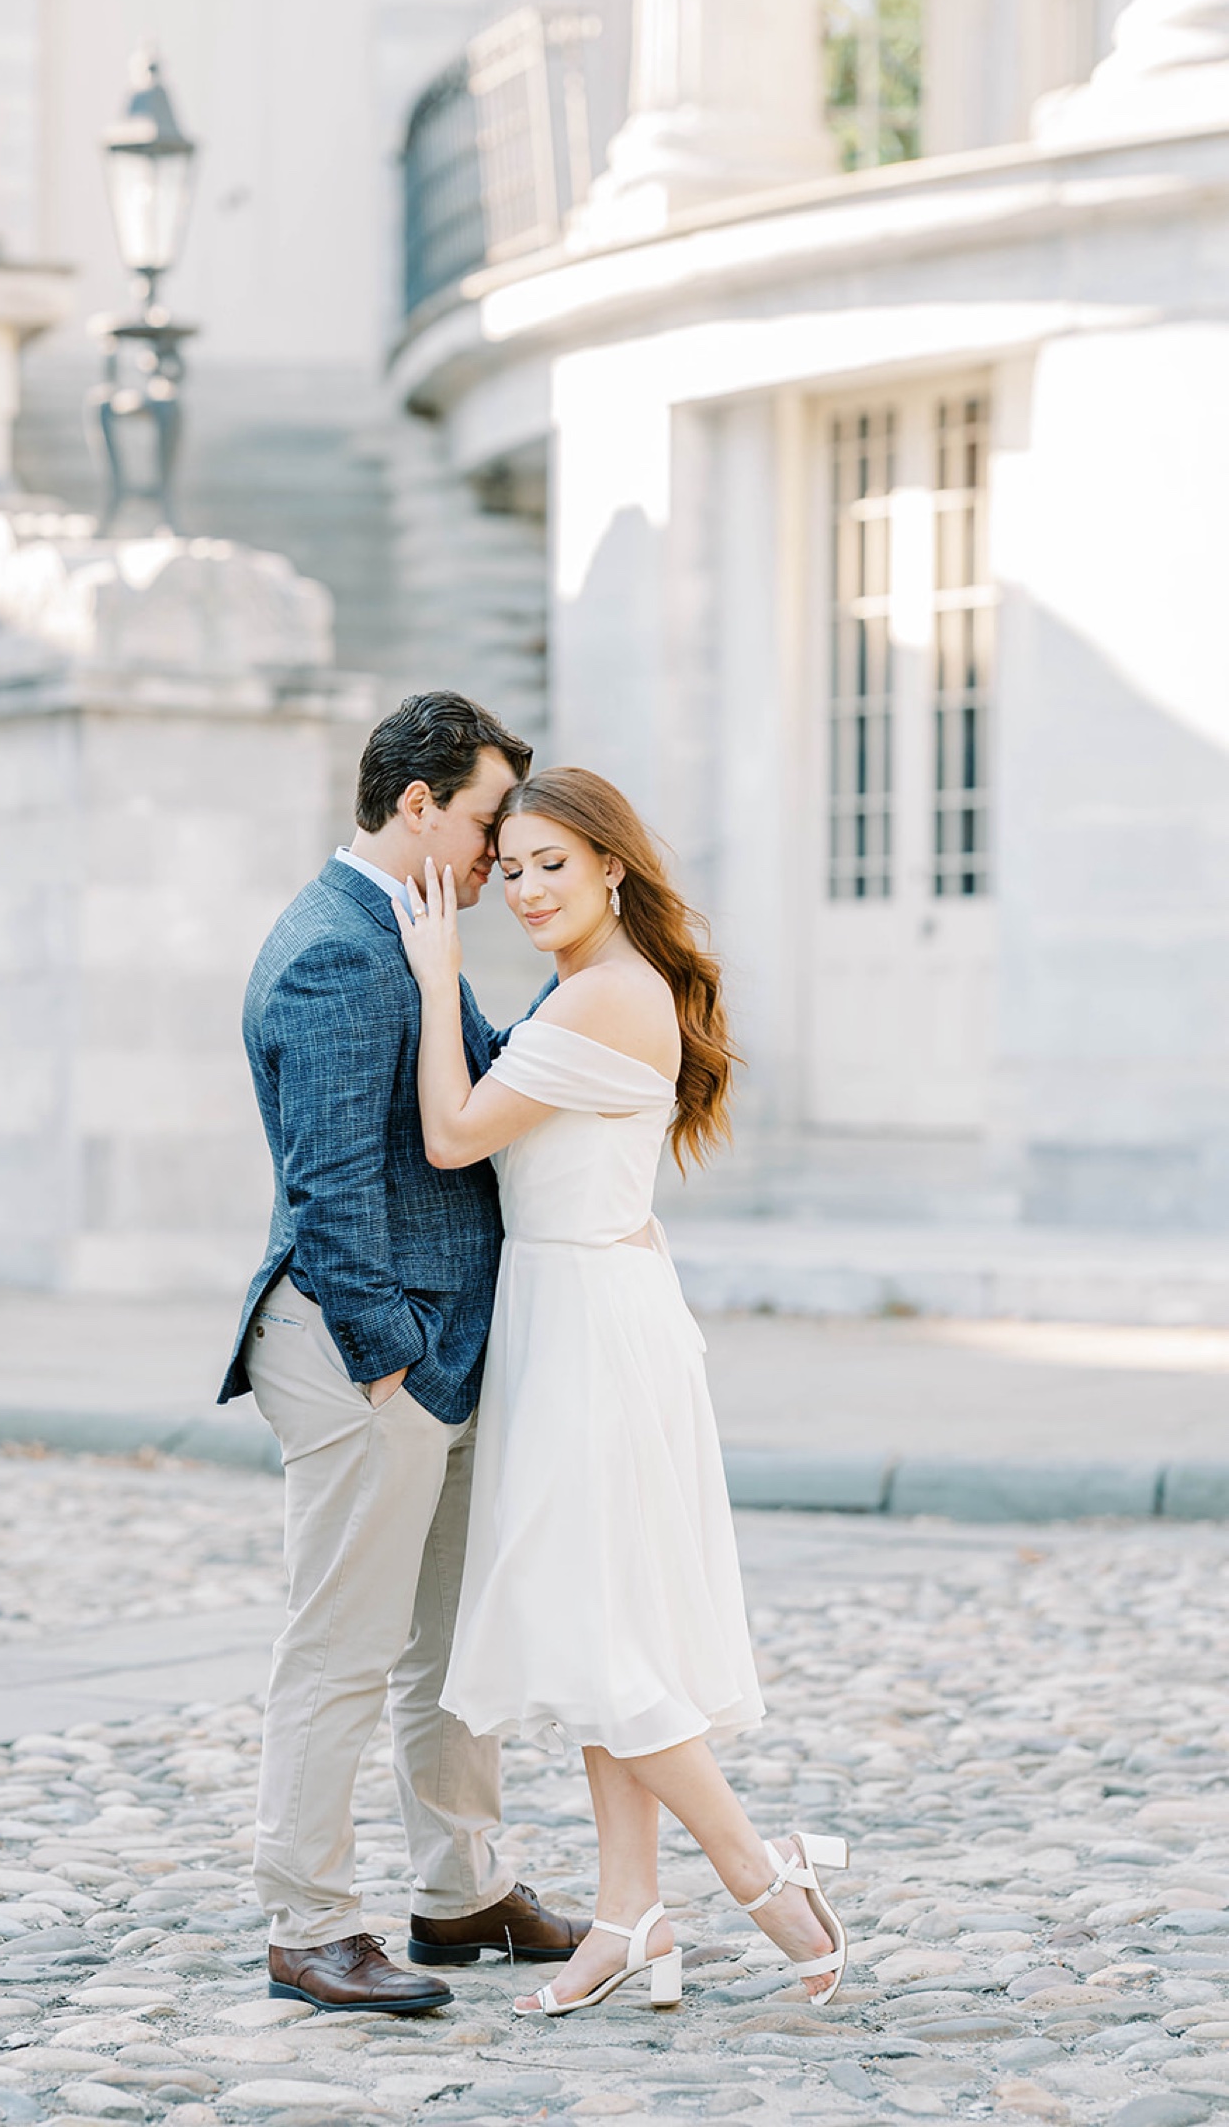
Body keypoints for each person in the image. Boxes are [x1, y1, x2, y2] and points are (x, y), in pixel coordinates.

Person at [394, 766, 851, 2018]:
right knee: (608, 1625)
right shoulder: (594, 988)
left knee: (598, 1632)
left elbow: (452, 1135)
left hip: (590, 1326)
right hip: (586, 1307)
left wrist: (439, 984)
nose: (529, 888)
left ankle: (767, 1881)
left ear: (612, 867)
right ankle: (628, 1913)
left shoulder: (606, 998)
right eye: (518, 865)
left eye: (556, 863)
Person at [221, 693, 589, 2016]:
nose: (500, 853)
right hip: (364, 1354)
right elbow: (327, 1194)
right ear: (418, 802)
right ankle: (307, 1921)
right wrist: (395, 1363)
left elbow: (490, 1079)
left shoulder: (412, 933)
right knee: (344, 1645)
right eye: (490, 821)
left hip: (435, 1356)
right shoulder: (335, 946)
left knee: (450, 1646)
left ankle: (461, 1890)